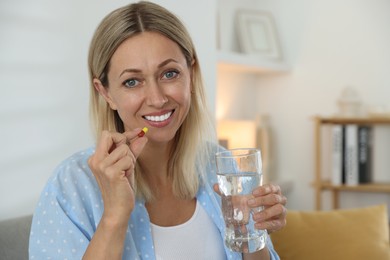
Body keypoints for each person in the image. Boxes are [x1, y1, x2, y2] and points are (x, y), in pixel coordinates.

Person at [29, 1, 287, 259]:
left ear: (191, 74)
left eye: (169, 74)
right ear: (106, 93)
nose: (156, 98)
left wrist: (253, 233)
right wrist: (114, 218)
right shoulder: (71, 186)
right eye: (132, 81)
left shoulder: (220, 166)